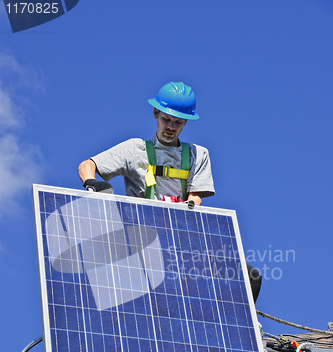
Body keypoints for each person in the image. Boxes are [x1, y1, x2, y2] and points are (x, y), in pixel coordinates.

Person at [78, 81, 261, 302]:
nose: (171, 126)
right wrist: (92, 183)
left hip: (180, 241)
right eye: (166, 119)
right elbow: (87, 165)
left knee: (250, 277)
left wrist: (189, 206)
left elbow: (196, 196)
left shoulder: (197, 155)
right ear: (156, 113)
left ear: (185, 123)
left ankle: (243, 329)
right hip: (143, 240)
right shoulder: (134, 150)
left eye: (178, 122)